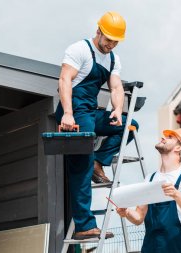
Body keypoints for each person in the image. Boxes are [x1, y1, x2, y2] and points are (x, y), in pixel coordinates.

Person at [55, 11, 139, 239]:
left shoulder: (113, 59)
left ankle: (99, 163)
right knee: (81, 165)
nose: (111, 44)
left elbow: (116, 88)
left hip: (91, 112)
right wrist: (68, 114)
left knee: (129, 126)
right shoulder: (79, 49)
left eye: (116, 41)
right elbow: (64, 80)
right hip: (74, 114)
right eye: (108, 38)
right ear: (98, 31)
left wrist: (117, 111)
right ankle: (85, 226)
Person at [117, 128, 181, 252]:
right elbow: (139, 217)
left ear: (178, 148)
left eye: (170, 137)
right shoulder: (150, 179)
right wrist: (127, 212)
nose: (163, 138)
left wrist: (176, 194)